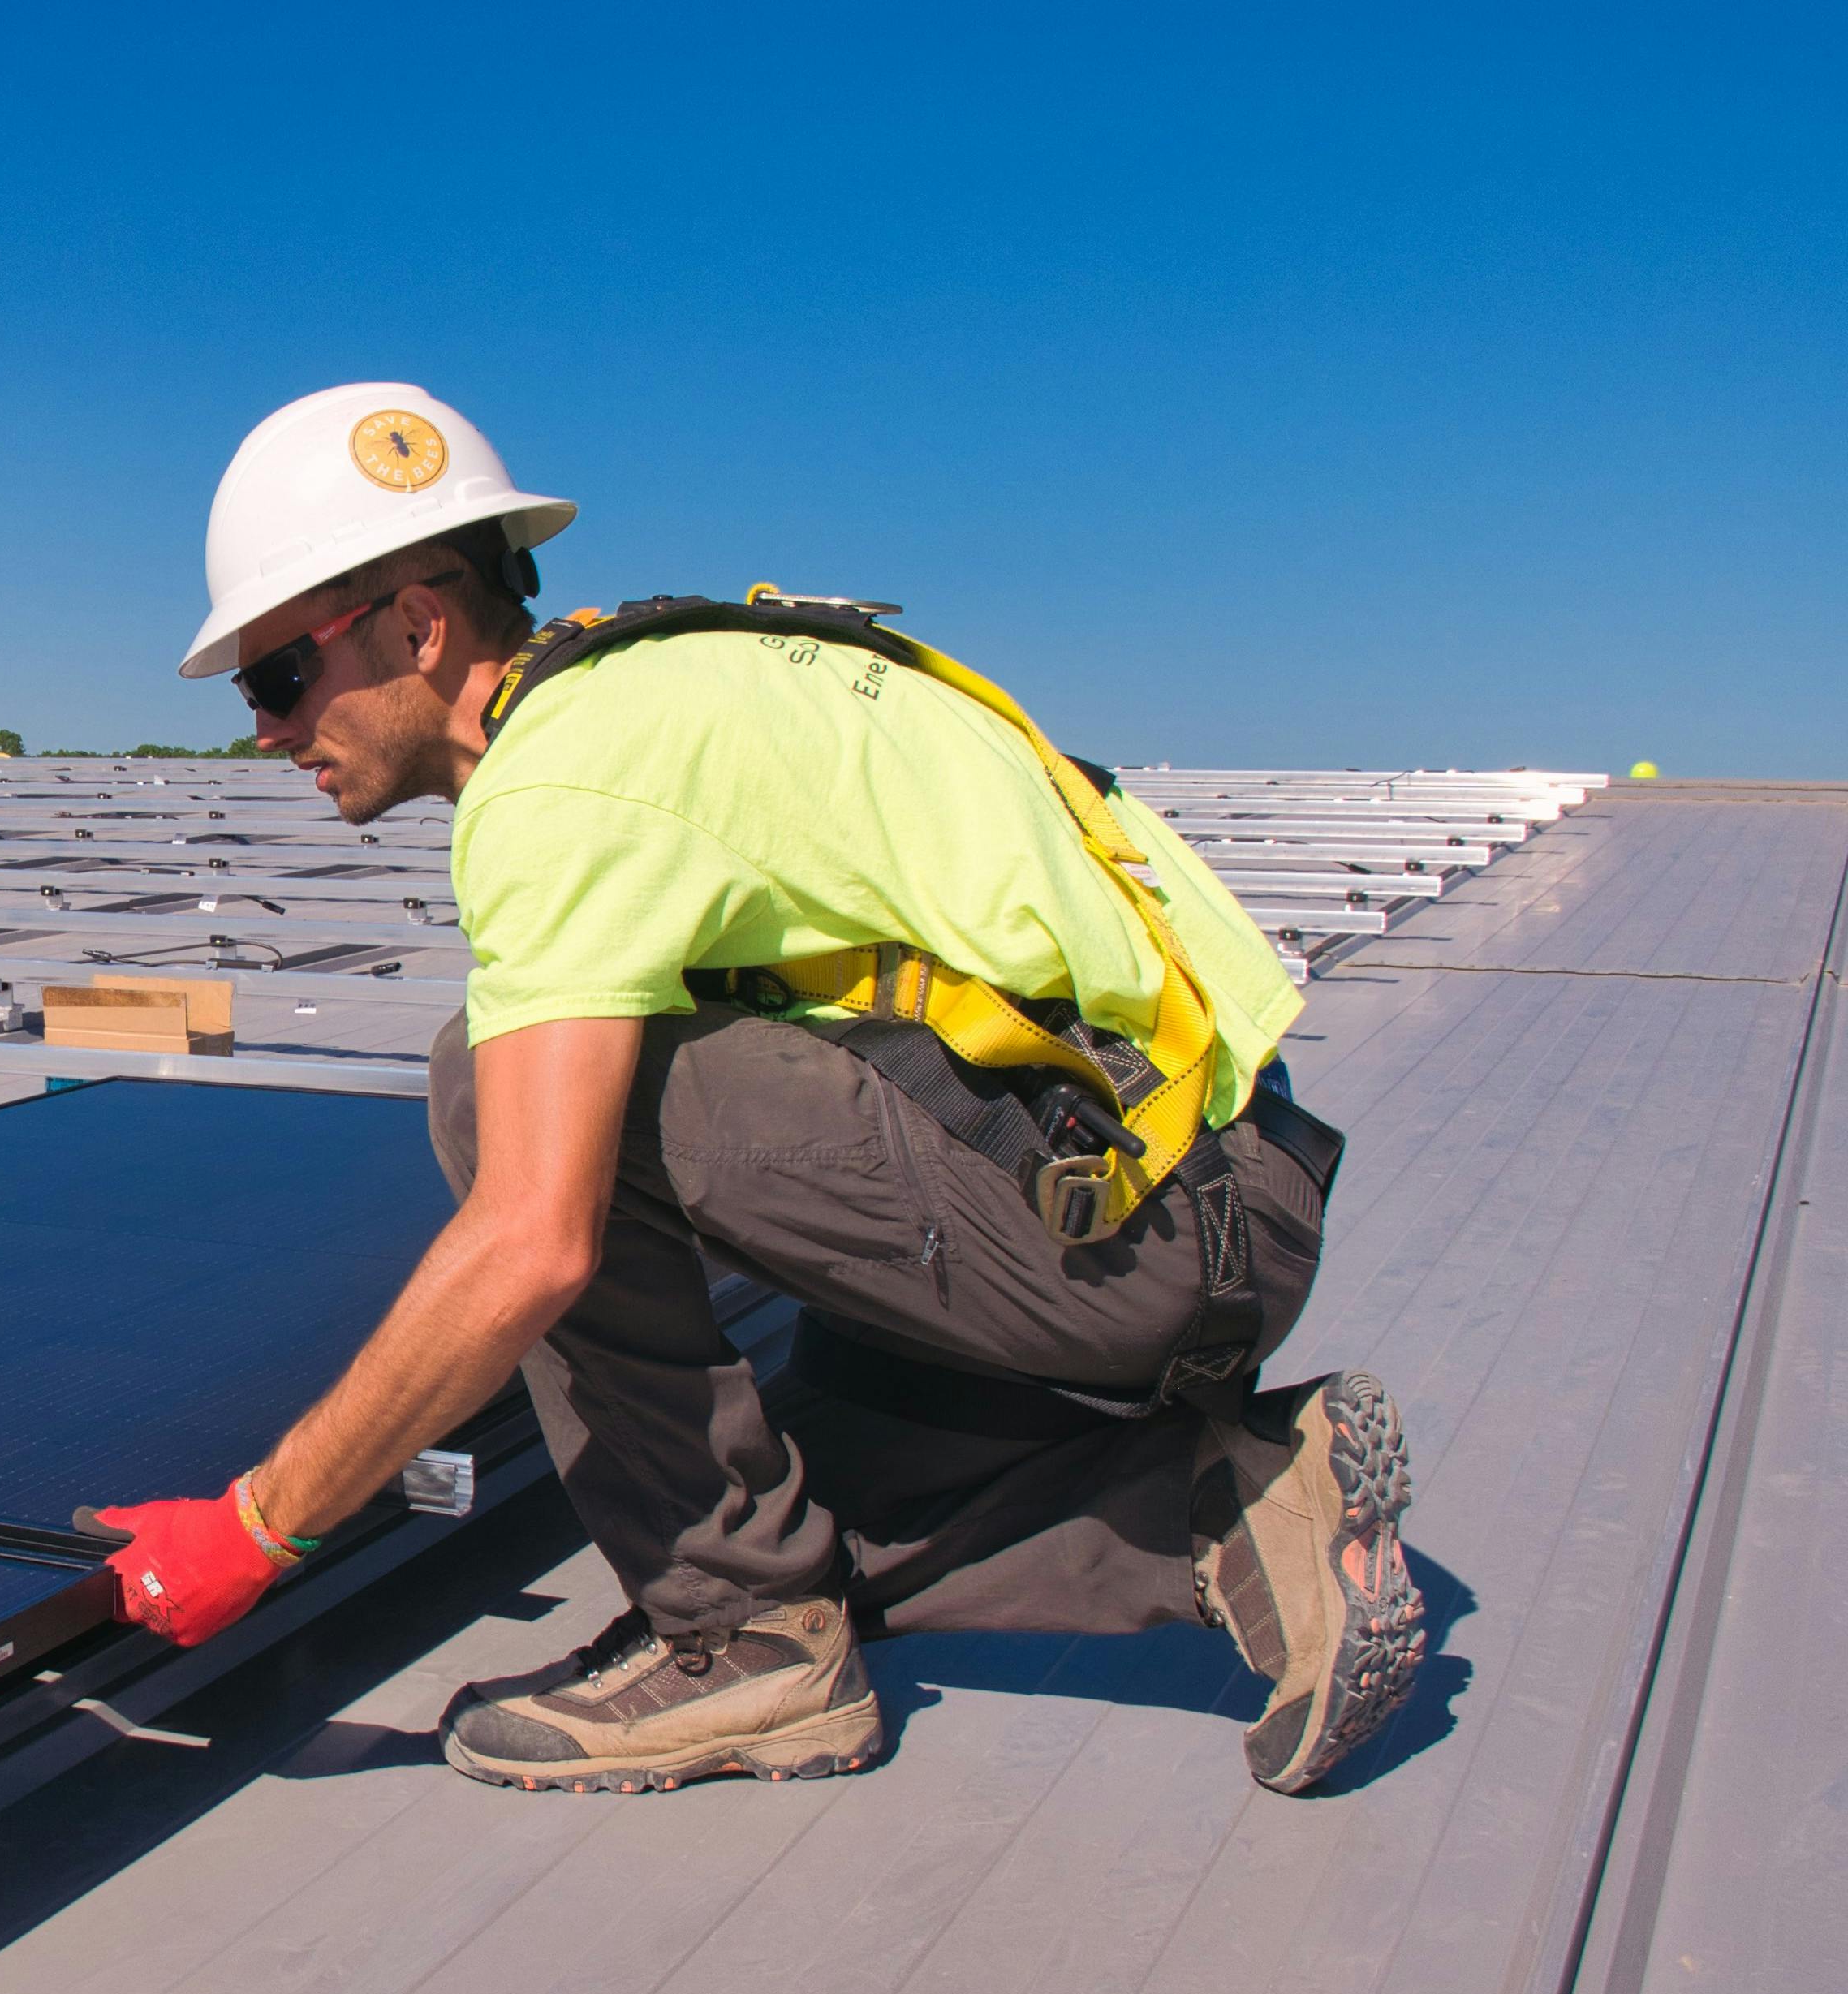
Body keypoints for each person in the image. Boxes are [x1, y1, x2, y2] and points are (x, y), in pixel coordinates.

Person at [81, 383, 1421, 1797]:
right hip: (1201, 1199)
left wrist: (258, 1524)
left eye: (279, 677)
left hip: (1137, 1220)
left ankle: (744, 1647)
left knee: (497, 1090)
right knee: (801, 1506)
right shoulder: (661, 680)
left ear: (417, 625)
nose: (267, 732)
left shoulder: (559, 786)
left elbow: (531, 1239)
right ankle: (1244, 1508)